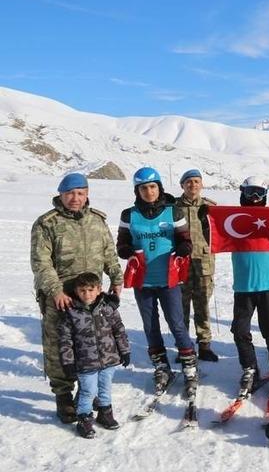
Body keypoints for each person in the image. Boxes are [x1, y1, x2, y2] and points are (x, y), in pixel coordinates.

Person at [30, 173, 123, 423]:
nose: (75, 198)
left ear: (87, 194)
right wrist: (55, 290)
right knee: (58, 346)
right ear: (61, 194)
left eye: (81, 193)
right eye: (70, 193)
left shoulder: (97, 221)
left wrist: (116, 278)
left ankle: (87, 390)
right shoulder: (47, 223)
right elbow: (41, 263)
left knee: (91, 343)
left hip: (91, 297)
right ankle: (63, 395)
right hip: (60, 298)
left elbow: (109, 253)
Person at [117, 167, 198, 395]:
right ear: (137, 190)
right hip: (143, 280)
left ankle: (190, 368)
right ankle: (161, 367)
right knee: (151, 326)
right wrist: (127, 251)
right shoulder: (128, 215)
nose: (149, 191)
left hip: (169, 279)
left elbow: (186, 240)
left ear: (159, 187)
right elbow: (122, 244)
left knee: (177, 324)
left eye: (153, 186)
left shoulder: (173, 212)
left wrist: (182, 249)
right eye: (144, 188)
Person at [230, 177, 269, 394]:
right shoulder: (234, 218)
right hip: (243, 285)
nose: (255, 198)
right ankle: (250, 368)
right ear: (243, 192)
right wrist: (206, 219)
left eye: (260, 193)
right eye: (251, 192)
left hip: (268, 284)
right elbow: (212, 235)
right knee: (241, 330)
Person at [58, 272, 130, 438]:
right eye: (82, 290)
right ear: (76, 291)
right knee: (88, 391)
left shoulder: (107, 308)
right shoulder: (71, 312)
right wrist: (67, 362)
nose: (87, 294)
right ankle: (84, 419)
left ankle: (105, 413)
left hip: (109, 358)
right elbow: (65, 340)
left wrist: (125, 351)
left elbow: (119, 330)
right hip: (85, 362)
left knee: (105, 388)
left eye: (91, 290)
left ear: (99, 290)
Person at [175, 169, 219, 362]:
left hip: (204, 263)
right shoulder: (173, 208)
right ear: (182, 185)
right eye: (188, 182)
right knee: (181, 307)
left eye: (196, 181)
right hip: (181, 263)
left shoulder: (210, 208)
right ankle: (184, 347)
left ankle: (205, 345)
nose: (192, 185)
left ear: (201, 184)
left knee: (202, 305)